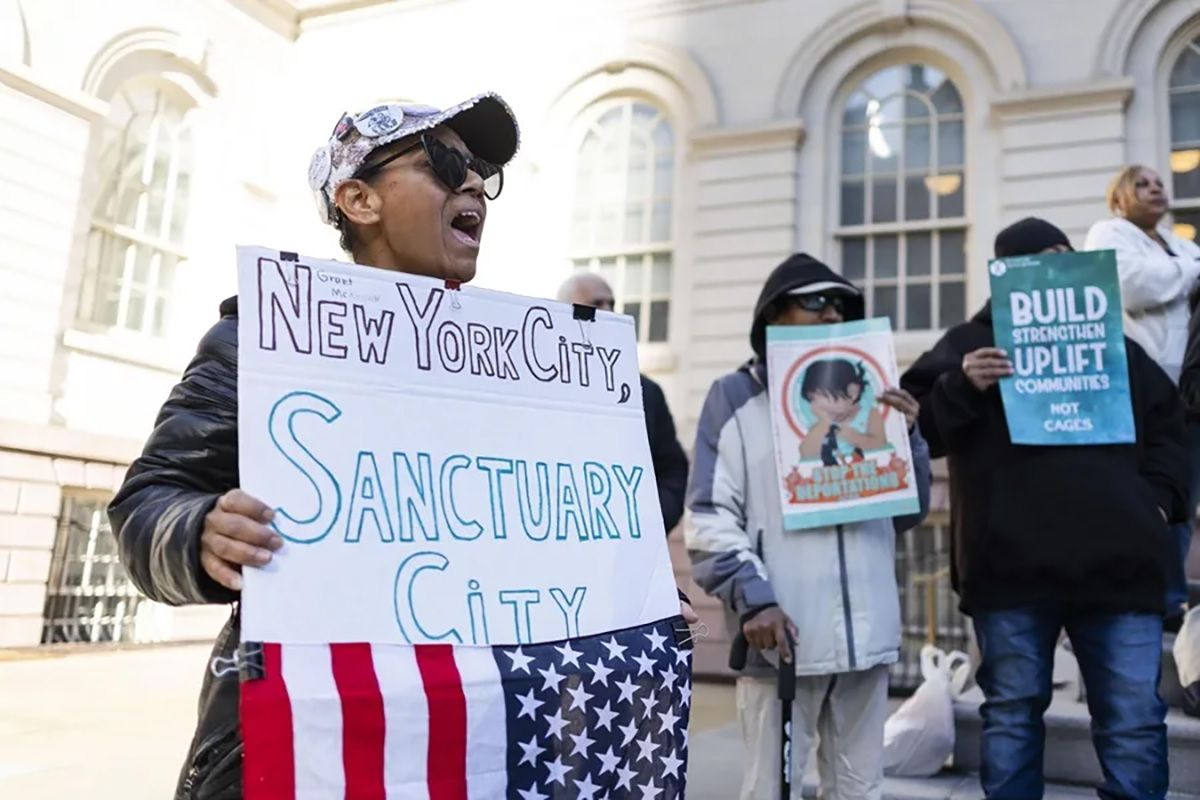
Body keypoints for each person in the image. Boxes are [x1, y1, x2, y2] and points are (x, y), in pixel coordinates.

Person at [108, 94, 527, 798]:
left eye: (484, 171)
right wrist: (199, 534)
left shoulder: (514, 367)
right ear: (359, 199)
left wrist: (621, 594)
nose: (474, 185)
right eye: (448, 162)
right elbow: (146, 505)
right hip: (306, 743)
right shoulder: (262, 341)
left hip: (468, 740)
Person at [902, 217, 1187, 800]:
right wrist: (962, 383)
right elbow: (914, 427)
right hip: (1011, 570)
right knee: (1010, 715)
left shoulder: (1117, 346)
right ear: (1009, 272)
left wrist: (1158, 504)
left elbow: (1171, 427)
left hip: (1119, 562)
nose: (1061, 265)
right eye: (1046, 256)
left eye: (1068, 254)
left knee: (1133, 720)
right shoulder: (966, 343)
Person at [686, 253, 931, 800]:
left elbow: (908, 514)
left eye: (841, 305)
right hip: (780, 636)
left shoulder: (869, 399)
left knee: (859, 788)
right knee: (773, 789)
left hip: (868, 639)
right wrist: (754, 598)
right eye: (815, 302)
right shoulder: (734, 397)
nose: (831, 314)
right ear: (773, 315)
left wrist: (908, 439)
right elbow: (708, 517)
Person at [1087, 166, 1200, 624]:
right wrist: (1188, 273)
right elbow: (1130, 286)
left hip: (1189, 395)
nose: (1156, 189)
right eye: (1142, 184)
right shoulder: (1107, 233)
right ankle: (1143, 591)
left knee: (1181, 498)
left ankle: (1171, 596)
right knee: (1141, 493)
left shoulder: (1182, 245)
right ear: (1118, 199)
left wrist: (1177, 269)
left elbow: (1162, 280)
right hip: (1138, 391)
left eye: (1159, 183)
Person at [556, 272, 690, 533]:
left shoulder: (647, 393)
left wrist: (648, 522)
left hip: (627, 547)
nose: (608, 312)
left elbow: (672, 471)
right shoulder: (541, 388)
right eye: (597, 304)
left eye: (612, 304)